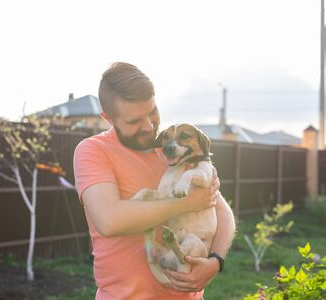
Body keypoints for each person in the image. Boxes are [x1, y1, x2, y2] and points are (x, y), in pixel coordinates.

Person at [73, 62, 235, 300]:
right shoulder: (94, 151)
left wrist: (216, 260)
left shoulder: (178, 150)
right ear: (108, 118)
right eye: (134, 121)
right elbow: (109, 220)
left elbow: (221, 210)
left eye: (152, 113)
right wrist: (186, 203)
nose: (149, 126)